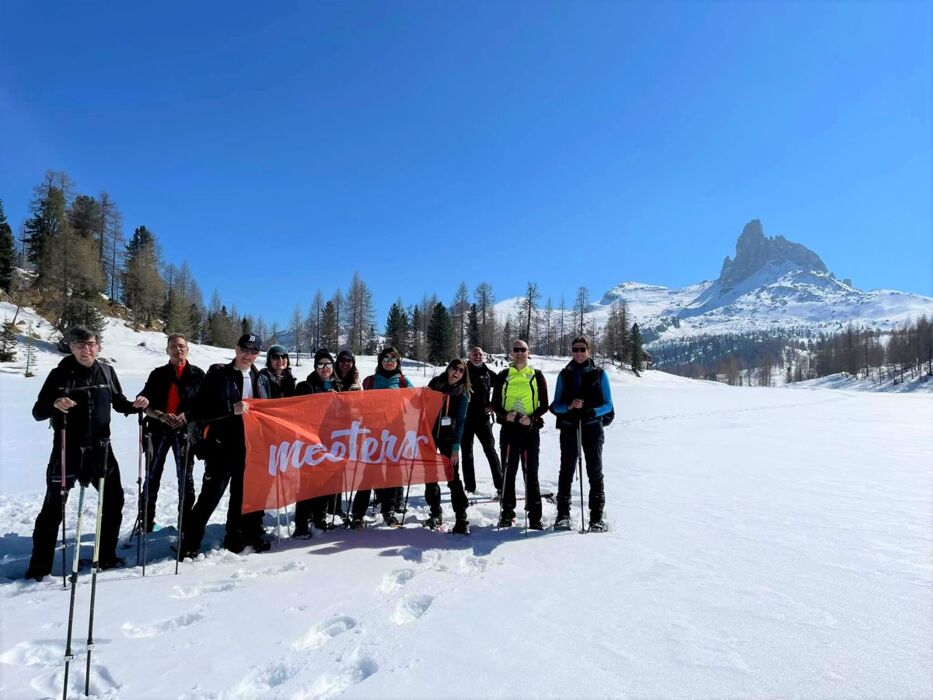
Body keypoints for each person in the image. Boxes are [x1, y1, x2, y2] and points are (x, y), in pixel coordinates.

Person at [24, 326, 149, 581]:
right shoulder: (60, 374)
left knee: (113, 502)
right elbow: (38, 412)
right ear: (71, 347)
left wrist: (137, 405)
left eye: (90, 344)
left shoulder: (106, 371)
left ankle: (105, 557)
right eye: (80, 345)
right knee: (53, 508)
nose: (86, 349)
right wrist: (55, 404)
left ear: (98, 346)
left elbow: (119, 402)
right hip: (67, 450)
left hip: (102, 449)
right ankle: (39, 569)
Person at [180, 333, 272, 557]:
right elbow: (200, 411)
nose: (248, 354)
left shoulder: (260, 378)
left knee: (241, 496)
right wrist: (231, 409)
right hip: (220, 446)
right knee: (210, 496)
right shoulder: (218, 373)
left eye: (253, 350)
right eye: (245, 349)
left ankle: (234, 537)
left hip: (248, 447)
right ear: (236, 348)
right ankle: (190, 542)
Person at [136, 333, 205, 533]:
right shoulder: (157, 374)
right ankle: (146, 523)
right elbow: (145, 403)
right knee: (152, 477)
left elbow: (205, 405)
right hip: (158, 430)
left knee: (186, 478)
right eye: (173, 346)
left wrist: (186, 415)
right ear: (167, 350)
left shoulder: (197, 374)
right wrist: (160, 415)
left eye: (182, 346)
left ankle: (185, 523)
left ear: (188, 349)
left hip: (185, 432)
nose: (178, 350)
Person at [549, 336, 612, 531]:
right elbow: (555, 405)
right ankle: (563, 515)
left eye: (582, 349)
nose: (578, 353)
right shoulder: (564, 374)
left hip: (592, 427)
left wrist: (592, 411)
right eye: (575, 349)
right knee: (566, 470)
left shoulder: (600, 374)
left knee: (594, 471)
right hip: (569, 427)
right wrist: (569, 405)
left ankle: (596, 518)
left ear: (589, 351)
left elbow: (608, 405)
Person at [349, 346, 410, 529]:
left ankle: (389, 511)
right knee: (369, 473)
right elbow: (359, 405)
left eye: (393, 358)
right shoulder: (369, 381)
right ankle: (358, 514)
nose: (389, 361)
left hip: (395, 433)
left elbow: (416, 400)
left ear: (398, 362)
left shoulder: (402, 381)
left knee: (392, 471)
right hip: (373, 434)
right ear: (380, 361)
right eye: (386, 358)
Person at [491, 339, 549, 530]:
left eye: (522, 350)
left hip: (529, 431)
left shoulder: (536, 375)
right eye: (515, 350)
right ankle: (507, 512)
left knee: (530, 473)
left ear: (528, 352)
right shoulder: (503, 375)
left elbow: (544, 404)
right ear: (511, 353)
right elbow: (495, 404)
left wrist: (532, 419)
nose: (519, 353)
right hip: (509, 430)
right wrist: (504, 415)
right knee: (509, 471)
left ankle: (534, 516)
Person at [293, 349, 344, 534]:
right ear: (315, 367)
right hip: (309, 441)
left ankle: (319, 518)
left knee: (326, 481)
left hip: (332, 441)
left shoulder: (338, 387)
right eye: (321, 364)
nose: (325, 368)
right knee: (307, 483)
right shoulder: (306, 385)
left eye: (328, 364)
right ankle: (301, 525)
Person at [423, 359, 472, 534]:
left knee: (452, 477)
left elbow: (461, 422)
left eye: (461, 371)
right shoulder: (436, 383)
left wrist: (455, 448)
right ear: (449, 368)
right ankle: (435, 511)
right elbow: (423, 405)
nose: (457, 373)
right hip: (430, 435)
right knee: (430, 474)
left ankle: (461, 516)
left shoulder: (462, 393)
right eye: (455, 368)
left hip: (449, 438)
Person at [461, 346, 503, 497]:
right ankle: (469, 487)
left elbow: (503, 386)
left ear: (483, 356)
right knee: (467, 453)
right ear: (469, 356)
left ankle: (501, 485)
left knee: (490, 451)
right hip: (465, 419)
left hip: (483, 419)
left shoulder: (488, 373)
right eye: (474, 354)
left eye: (480, 354)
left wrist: (494, 405)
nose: (477, 356)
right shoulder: (463, 371)